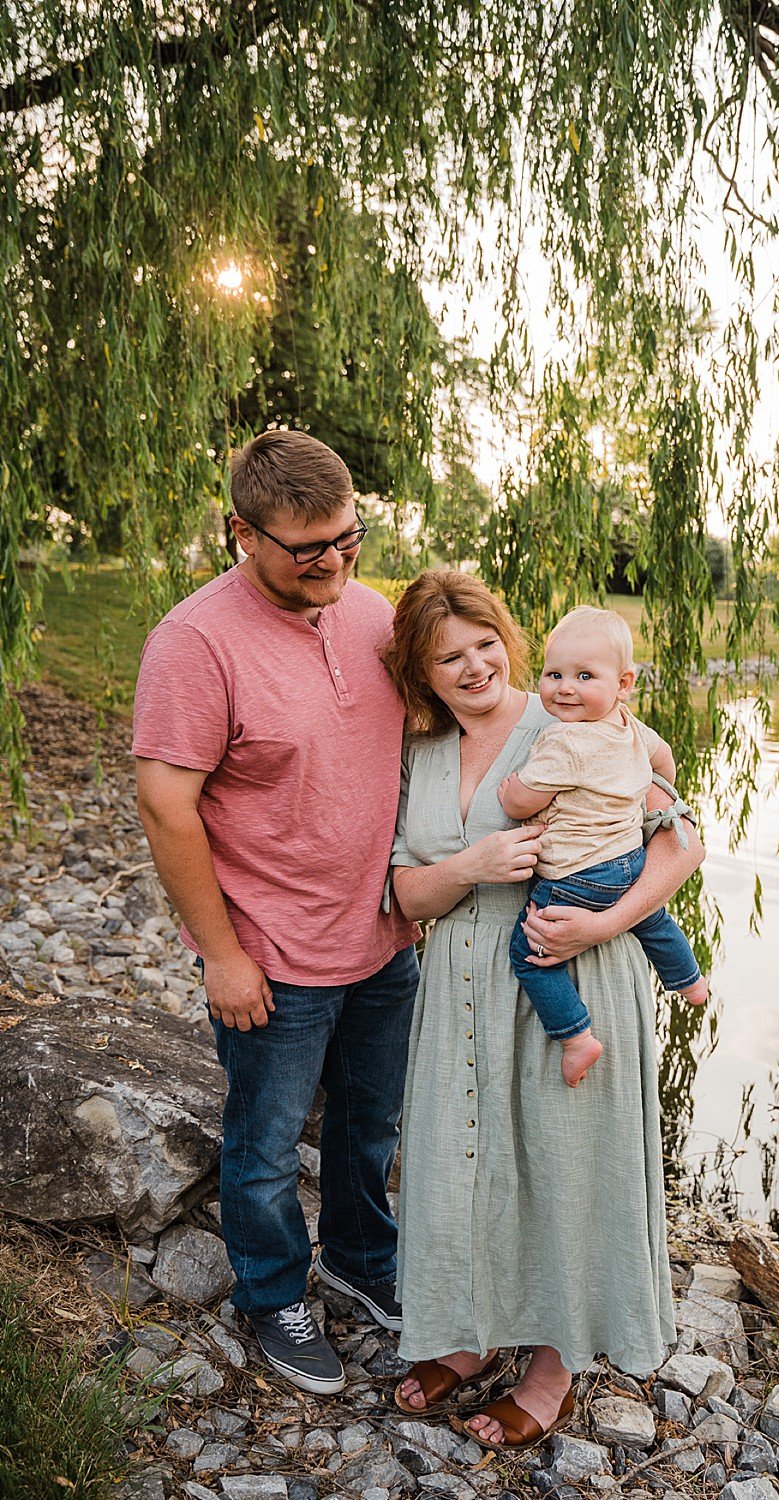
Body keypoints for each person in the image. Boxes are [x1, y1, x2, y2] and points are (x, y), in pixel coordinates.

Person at [381, 570, 705, 1450]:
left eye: (486, 643)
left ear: (509, 643)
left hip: (571, 966)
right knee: (463, 1159)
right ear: (422, 670)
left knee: (567, 1163)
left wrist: (602, 921)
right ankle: (471, 1329)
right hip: (461, 986)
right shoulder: (422, 753)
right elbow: (405, 895)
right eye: (449, 656)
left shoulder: (571, 717)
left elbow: (682, 842)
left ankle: (553, 1368)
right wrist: (470, 867)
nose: (475, 666)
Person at [132, 430, 420, 1396]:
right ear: (242, 533)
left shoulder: (374, 615)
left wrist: (616, 755)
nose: (335, 562)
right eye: (309, 549)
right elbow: (166, 804)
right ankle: (270, 1295)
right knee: (261, 1147)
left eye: (350, 538)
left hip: (383, 938)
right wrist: (221, 954)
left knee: (370, 1128)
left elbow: (468, 711)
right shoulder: (195, 643)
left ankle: (357, 1261)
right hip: (272, 954)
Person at [499, 605, 707, 1087]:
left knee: (527, 953)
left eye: (584, 676)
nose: (565, 687)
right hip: (629, 861)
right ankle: (689, 979)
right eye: (554, 674)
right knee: (652, 917)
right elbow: (665, 762)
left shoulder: (563, 741)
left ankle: (575, 1037)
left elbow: (523, 800)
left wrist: (510, 790)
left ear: (624, 683)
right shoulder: (629, 726)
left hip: (575, 875)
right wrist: (639, 787)